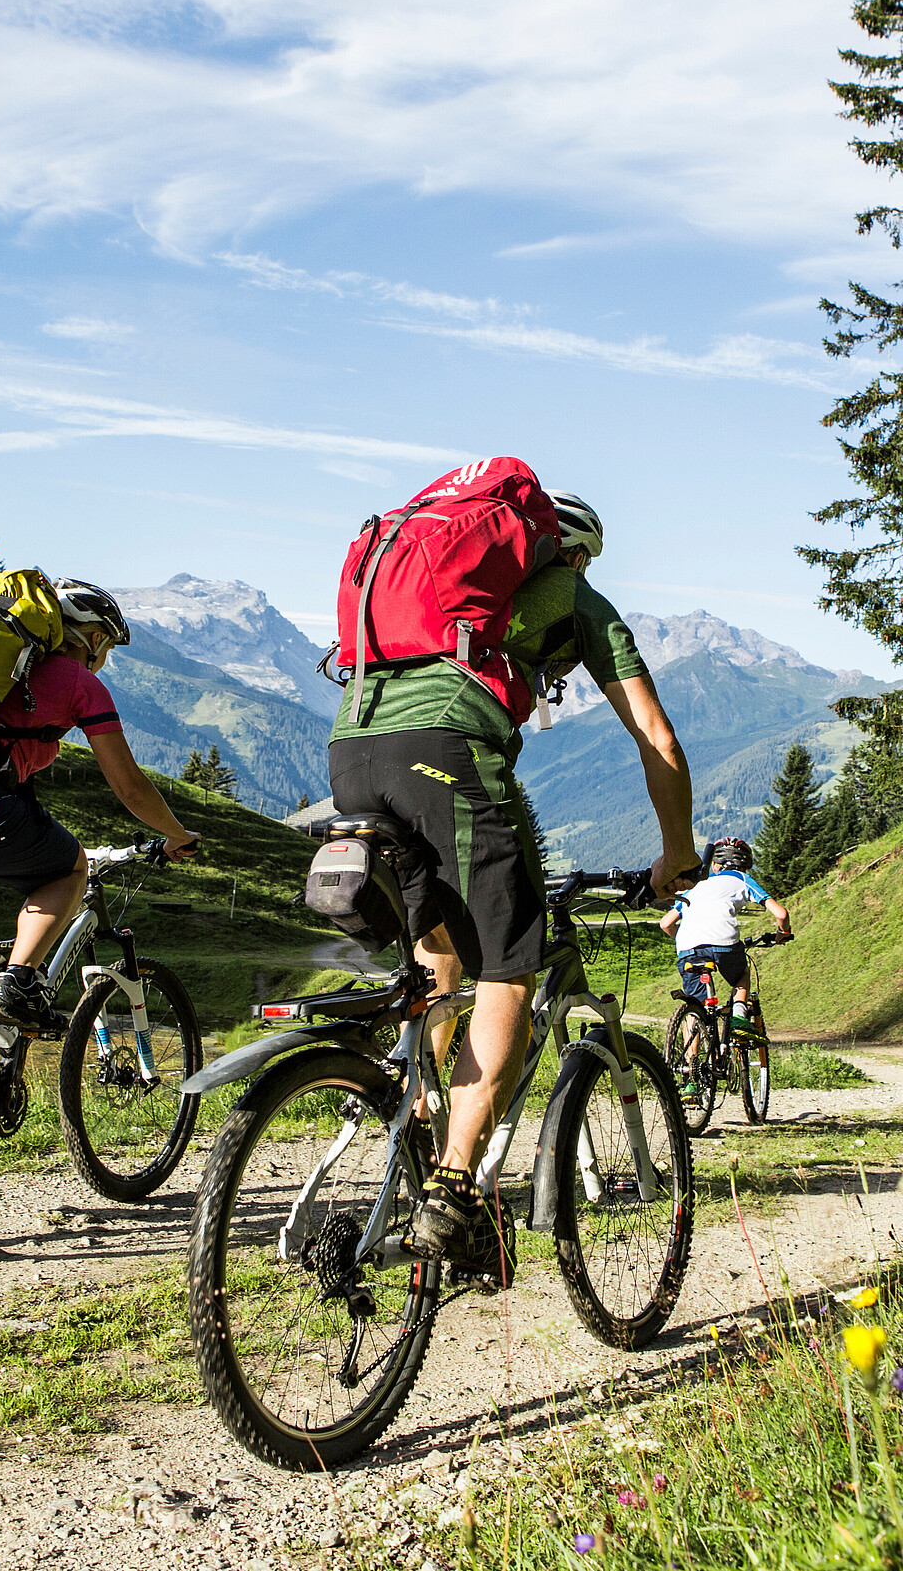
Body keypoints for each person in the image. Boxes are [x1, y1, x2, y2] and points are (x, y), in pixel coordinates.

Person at [327, 489, 701, 1273]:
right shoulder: (572, 593)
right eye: (585, 557)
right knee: (511, 970)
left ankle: (422, 1105)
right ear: (567, 550)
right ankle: (454, 1187)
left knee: (443, 949)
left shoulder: (435, 608)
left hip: (352, 748)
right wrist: (676, 852)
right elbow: (658, 739)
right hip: (445, 753)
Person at [0, 581, 200, 1039]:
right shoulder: (77, 682)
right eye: (107, 646)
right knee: (69, 870)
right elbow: (129, 785)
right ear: (93, 639)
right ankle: (18, 980)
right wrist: (175, 833)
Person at [660, 837, 791, 1081]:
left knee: (695, 1007)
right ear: (745, 865)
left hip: (688, 948)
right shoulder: (742, 879)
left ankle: (690, 1076)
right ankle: (740, 1019)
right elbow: (781, 913)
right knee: (741, 976)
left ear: (715, 865)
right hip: (724, 944)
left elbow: (665, 923)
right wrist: (782, 934)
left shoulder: (696, 885)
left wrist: (687, 940)